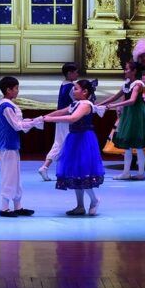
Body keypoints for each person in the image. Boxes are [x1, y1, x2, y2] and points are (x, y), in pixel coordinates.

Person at [43, 80, 105, 216]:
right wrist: (43, 117)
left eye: (76, 89)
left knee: (83, 171)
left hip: (84, 140)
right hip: (74, 138)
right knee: (75, 172)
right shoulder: (75, 103)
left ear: (85, 92)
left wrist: (50, 120)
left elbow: (73, 118)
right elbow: (61, 111)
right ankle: (80, 206)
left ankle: (94, 200)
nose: (73, 91)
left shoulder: (86, 104)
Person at [0, 76, 44, 217]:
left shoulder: (9, 104)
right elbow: (17, 125)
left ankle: (18, 205)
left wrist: (33, 121)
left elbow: (19, 122)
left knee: (15, 177)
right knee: (9, 177)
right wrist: (35, 122)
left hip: (12, 144)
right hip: (7, 145)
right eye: (16, 88)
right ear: (8, 90)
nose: (18, 91)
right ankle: (4, 208)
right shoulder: (6, 106)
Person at [100, 60, 145, 180]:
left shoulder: (138, 84)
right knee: (127, 145)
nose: (125, 71)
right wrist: (100, 104)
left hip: (137, 114)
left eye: (127, 69)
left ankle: (141, 173)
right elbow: (115, 97)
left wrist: (114, 105)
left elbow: (132, 100)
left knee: (138, 145)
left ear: (134, 71)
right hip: (129, 114)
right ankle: (126, 172)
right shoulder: (127, 84)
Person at [38, 62, 77, 182]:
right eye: (76, 72)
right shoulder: (72, 87)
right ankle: (65, 170)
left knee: (59, 144)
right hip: (67, 119)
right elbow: (77, 101)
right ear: (69, 73)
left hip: (61, 119)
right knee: (67, 144)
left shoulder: (64, 84)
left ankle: (46, 167)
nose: (77, 74)